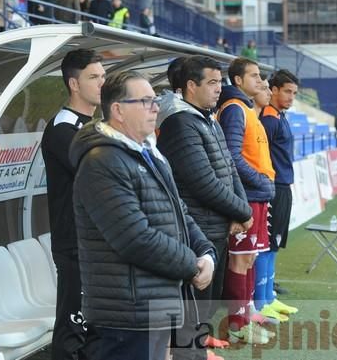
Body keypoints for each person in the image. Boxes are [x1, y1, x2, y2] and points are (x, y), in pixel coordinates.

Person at [69, 70, 216, 360]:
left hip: (155, 302)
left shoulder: (148, 153)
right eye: (146, 101)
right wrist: (192, 264)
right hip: (126, 313)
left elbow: (179, 213)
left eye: (155, 100)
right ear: (118, 110)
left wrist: (207, 253)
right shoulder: (101, 162)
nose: (155, 107)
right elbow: (135, 238)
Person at [157, 56, 252, 360]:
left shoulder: (205, 117)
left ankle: (201, 344)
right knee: (194, 296)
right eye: (211, 83)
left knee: (207, 295)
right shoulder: (180, 123)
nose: (218, 89)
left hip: (216, 223)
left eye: (219, 82)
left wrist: (240, 210)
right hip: (196, 226)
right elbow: (203, 182)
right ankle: (192, 351)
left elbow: (229, 169)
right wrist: (243, 212)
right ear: (190, 86)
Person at [41, 49, 105, 360]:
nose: (101, 83)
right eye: (93, 77)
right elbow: (97, 176)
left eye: (103, 76)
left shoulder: (93, 124)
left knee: (94, 325)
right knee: (73, 324)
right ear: (74, 84)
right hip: (74, 241)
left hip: (95, 240)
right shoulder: (63, 128)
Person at [216, 57, 275, 345]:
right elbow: (231, 157)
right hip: (246, 196)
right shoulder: (235, 109)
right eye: (254, 75)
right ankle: (237, 323)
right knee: (240, 260)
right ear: (237, 80)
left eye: (260, 74)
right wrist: (261, 180)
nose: (261, 80)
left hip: (257, 194)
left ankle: (247, 314)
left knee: (250, 258)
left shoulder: (248, 109)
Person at [257, 70, 300, 321]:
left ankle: (269, 297)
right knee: (266, 244)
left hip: (283, 187)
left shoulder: (280, 116)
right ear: (273, 90)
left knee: (274, 244)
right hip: (273, 188)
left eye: (294, 93)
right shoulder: (269, 120)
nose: (291, 97)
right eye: (287, 91)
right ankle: (261, 302)